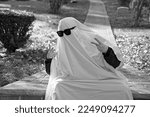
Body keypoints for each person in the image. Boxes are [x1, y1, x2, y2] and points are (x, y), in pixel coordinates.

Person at [45, 17, 133, 100]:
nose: (65, 36)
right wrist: (49, 60)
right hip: (73, 84)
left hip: (98, 81)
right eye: (60, 33)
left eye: (68, 32)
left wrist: (106, 51)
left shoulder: (92, 45)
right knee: (58, 87)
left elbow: (116, 65)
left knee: (122, 88)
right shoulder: (61, 52)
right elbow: (53, 73)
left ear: (76, 30)